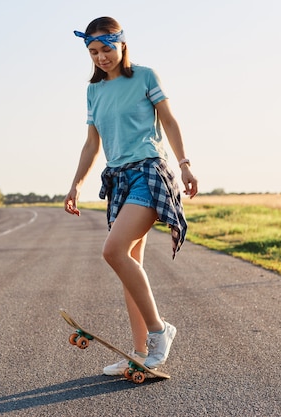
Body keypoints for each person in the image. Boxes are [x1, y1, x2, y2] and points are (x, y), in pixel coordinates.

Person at [64, 16, 198, 375]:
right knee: (129, 266)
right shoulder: (94, 91)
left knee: (113, 251)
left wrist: (184, 163)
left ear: (121, 43)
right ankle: (141, 352)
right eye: (92, 51)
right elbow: (92, 143)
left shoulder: (145, 76)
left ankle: (159, 331)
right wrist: (76, 183)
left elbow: (168, 120)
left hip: (150, 173)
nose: (100, 57)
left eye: (105, 49)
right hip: (119, 180)